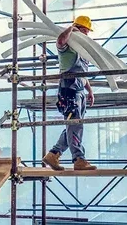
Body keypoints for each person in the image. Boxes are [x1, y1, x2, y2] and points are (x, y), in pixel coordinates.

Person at [42, 15, 97, 171]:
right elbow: (59, 42)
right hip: (69, 91)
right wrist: (71, 29)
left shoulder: (82, 51)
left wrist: (90, 91)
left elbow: (83, 75)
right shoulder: (68, 47)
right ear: (79, 29)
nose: (87, 35)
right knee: (75, 125)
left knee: (73, 126)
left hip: (79, 91)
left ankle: (53, 154)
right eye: (85, 31)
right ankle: (78, 159)